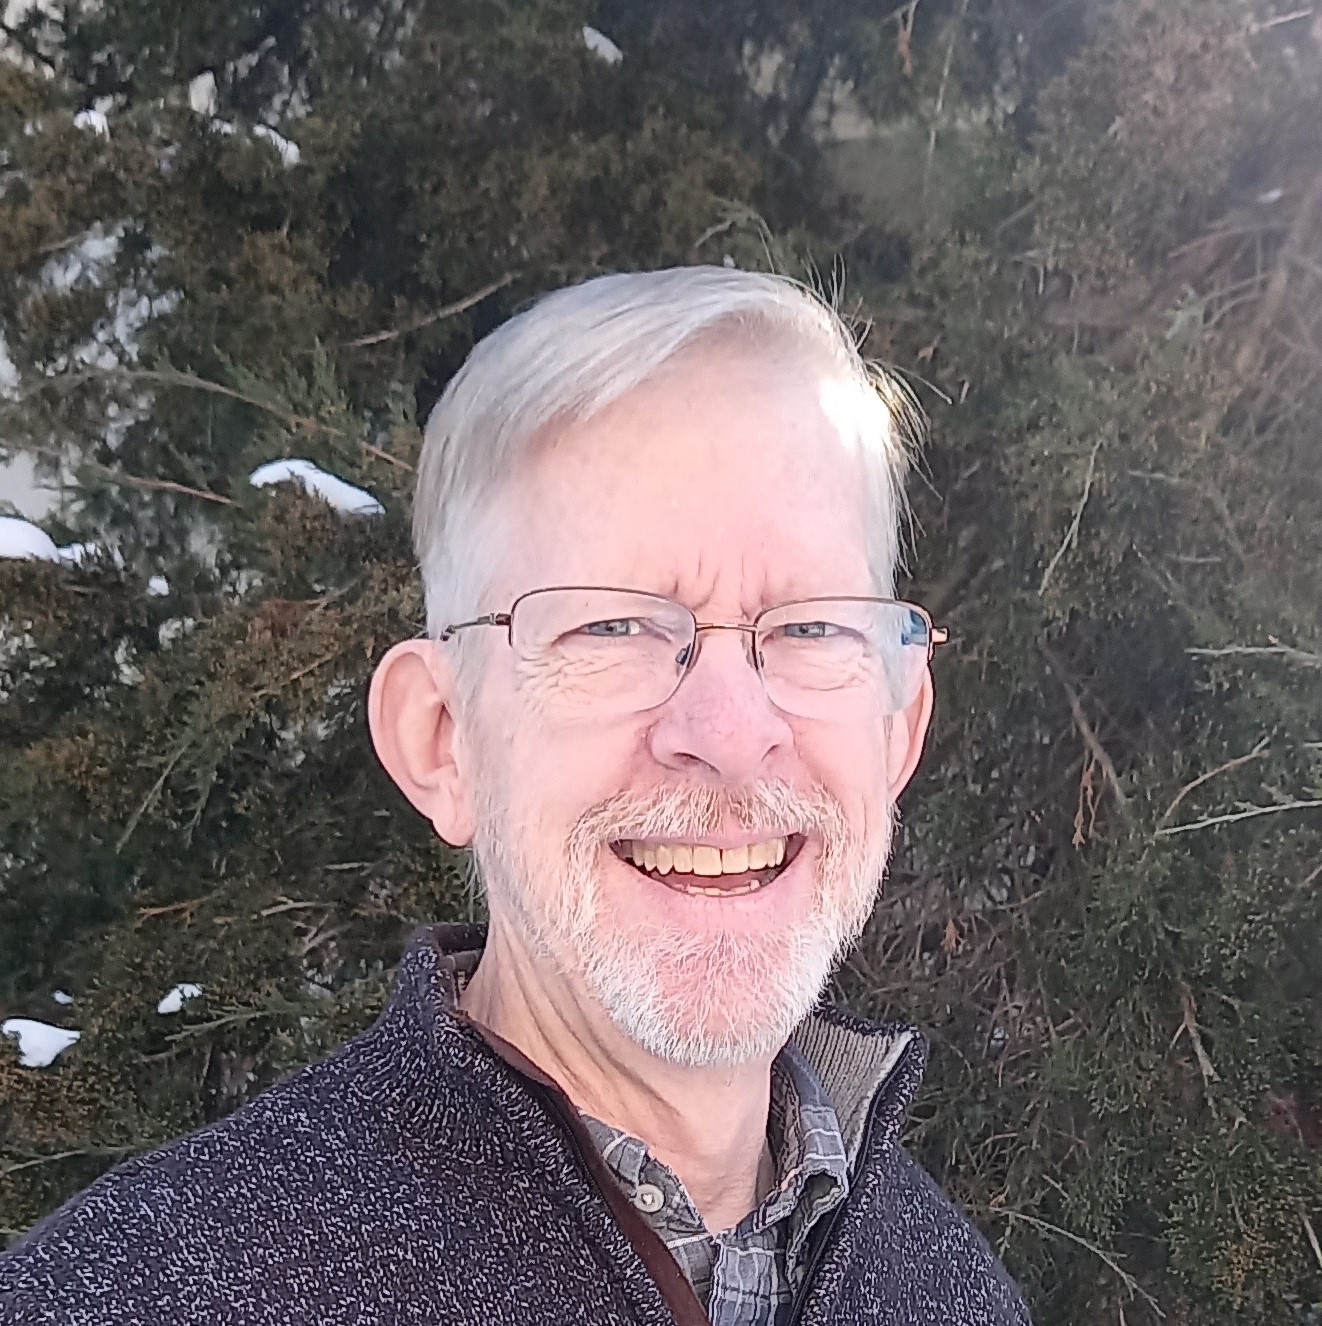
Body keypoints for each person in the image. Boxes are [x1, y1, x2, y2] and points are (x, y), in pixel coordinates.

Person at [0, 267, 1031, 1325]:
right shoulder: (142, 1294)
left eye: (813, 626)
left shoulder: (952, 1294)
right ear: (442, 741)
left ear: (897, 726)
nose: (730, 735)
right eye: (611, 627)